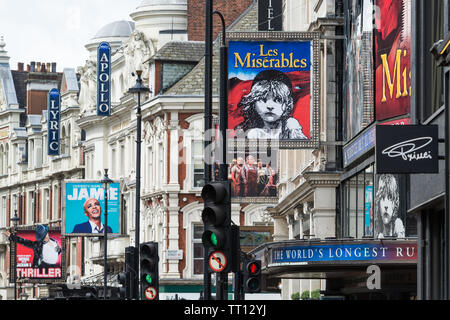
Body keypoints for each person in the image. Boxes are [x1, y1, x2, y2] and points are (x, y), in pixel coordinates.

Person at [235, 69, 308, 140]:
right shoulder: (251, 133)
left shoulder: (292, 128)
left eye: (278, 100)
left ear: (287, 104)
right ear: (253, 103)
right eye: (263, 99)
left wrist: (295, 132)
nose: (270, 106)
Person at [375, 174, 405, 239]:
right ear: (379, 204)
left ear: (395, 204)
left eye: (390, 199)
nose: (386, 206)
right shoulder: (376, 229)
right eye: (383, 199)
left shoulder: (398, 225)